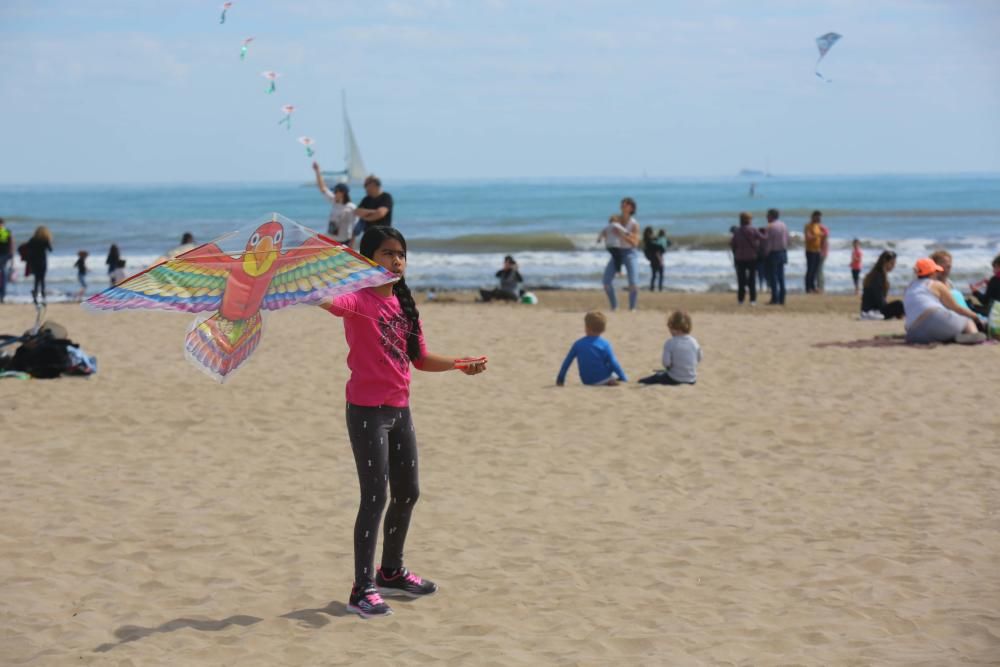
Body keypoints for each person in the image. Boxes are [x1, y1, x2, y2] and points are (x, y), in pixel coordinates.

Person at [319, 226, 486, 618]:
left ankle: (390, 572)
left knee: (408, 492)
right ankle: (362, 588)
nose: (397, 260)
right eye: (387, 253)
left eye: (401, 254)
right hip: (366, 412)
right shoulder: (356, 300)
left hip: (399, 409)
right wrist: (304, 282)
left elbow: (421, 359)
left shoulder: (404, 305)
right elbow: (327, 300)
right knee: (374, 497)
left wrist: (460, 364)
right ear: (367, 259)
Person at [903, 257, 982, 344]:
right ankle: (974, 336)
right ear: (932, 272)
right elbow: (957, 308)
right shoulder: (936, 284)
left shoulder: (909, 287)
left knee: (938, 330)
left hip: (913, 333)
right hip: (934, 317)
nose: (937, 274)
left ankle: (949, 337)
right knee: (967, 321)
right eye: (936, 271)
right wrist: (976, 317)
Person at [556, 311, 627, 386]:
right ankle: (610, 380)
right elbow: (614, 363)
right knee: (610, 365)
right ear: (603, 329)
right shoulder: (605, 344)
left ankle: (608, 380)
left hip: (587, 381)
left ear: (587, 327)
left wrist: (560, 379)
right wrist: (623, 378)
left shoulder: (577, 344)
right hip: (603, 378)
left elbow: (566, 363)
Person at [638, 311, 702, 385]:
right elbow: (699, 358)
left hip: (674, 379)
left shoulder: (670, 343)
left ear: (673, 328)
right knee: (663, 373)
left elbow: (666, 363)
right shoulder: (694, 341)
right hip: (691, 380)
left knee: (652, 378)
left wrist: (670, 367)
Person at [601, 197, 641, 311]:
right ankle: (614, 306)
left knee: (633, 283)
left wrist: (621, 235)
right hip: (617, 252)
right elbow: (606, 232)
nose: (623, 205)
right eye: (622, 203)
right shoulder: (615, 220)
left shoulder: (634, 224)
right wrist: (605, 237)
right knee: (606, 282)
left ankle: (632, 308)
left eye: (626, 204)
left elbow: (635, 243)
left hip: (630, 252)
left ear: (631, 208)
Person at [312, 161, 359, 245]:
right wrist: (317, 171)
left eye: (336, 191)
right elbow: (323, 188)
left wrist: (352, 242)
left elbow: (355, 226)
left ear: (342, 193)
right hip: (331, 239)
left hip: (344, 241)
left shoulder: (351, 207)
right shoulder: (334, 201)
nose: (334, 193)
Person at [730, 212, 763, 305]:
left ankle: (741, 300)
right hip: (752, 257)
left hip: (739, 258)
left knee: (741, 279)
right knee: (752, 279)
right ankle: (753, 300)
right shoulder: (753, 230)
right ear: (749, 220)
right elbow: (762, 238)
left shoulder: (737, 231)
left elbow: (732, 243)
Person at [860, 250, 904, 319]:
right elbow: (880, 302)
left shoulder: (877, 274)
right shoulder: (877, 277)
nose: (894, 266)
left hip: (872, 309)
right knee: (899, 305)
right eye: (892, 263)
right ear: (885, 262)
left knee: (899, 306)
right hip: (871, 311)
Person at [764, 209, 788, 305]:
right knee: (781, 276)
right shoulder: (783, 225)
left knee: (773, 277)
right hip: (782, 251)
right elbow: (788, 239)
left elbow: (768, 243)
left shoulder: (770, 227)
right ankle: (782, 298)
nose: (766, 218)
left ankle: (775, 298)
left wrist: (765, 253)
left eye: (767, 216)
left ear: (771, 216)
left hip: (773, 253)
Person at [23, 226, 52, 305]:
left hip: (34, 262)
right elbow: (50, 249)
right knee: (42, 280)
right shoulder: (45, 240)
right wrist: (48, 241)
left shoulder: (32, 240)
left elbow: (27, 247)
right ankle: (43, 297)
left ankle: (35, 297)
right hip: (42, 262)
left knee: (36, 280)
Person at [803, 210, 826, 294]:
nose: (820, 219)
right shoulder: (808, 226)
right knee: (810, 270)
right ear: (813, 217)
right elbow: (808, 237)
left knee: (815, 270)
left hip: (817, 250)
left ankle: (813, 287)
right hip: (810, 250)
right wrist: (818, 235)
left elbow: (822, 237)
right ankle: (808, 287)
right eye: (818, 217)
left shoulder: (817, 226)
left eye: (820, 217)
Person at [642, 227, 665, 292]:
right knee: (659, 274)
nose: (652, 233)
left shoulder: (648, 240)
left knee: (655, 275)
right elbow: (657, 246)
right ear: (649, 233)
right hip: (656, 258)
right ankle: (659, 288)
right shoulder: (649, 241)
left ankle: (653, 288)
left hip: (653, 258)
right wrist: (661, 247)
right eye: (651, 232)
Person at [0, 217, 13, 304]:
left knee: (3, 274)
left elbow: (11, 243)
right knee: (3, 274)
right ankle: (2, 295)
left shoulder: (7, 232)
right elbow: (12, 243)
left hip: (5, 255)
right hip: (5, 255)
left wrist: (11, 255)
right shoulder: (7, 231)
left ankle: (2, 295)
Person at [817, 218, 831, 293]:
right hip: (823, 252)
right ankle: (820, 286)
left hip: (822, 253)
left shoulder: (821, 228)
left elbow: (824, 236)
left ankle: (820, 287)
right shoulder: (823, 228)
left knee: (819, 270)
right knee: (819, 270)